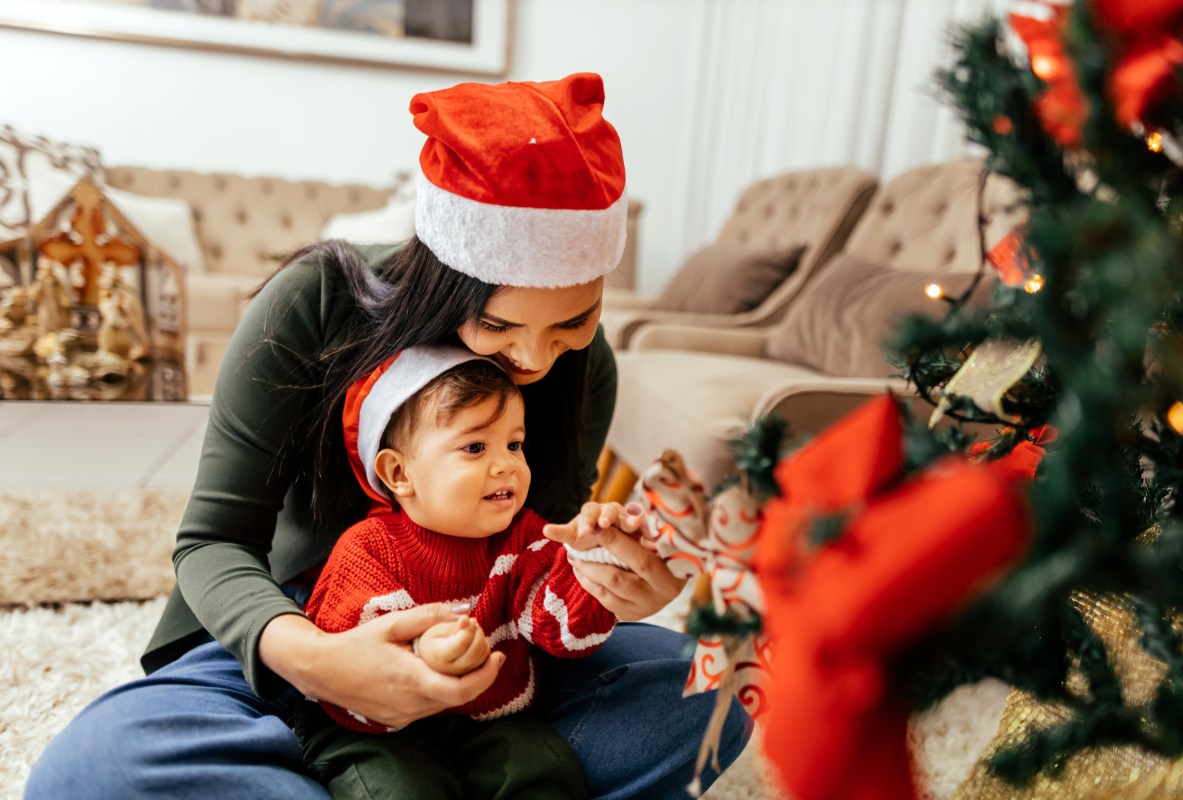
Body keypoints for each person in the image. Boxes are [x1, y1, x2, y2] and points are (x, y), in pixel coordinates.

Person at [24, 72, 752, 800]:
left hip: (491, 644)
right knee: (89, 775)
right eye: (499, 327)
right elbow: (212, 542)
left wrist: (611, 589)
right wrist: (315, 660)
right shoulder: (312, 304)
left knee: (710, 691)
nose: (534, 362)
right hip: (301, 625)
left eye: (572, 325)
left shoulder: (584, 372)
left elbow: (539, 552)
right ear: (445, 279)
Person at [296, 346, 621, 799]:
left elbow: (562, 631)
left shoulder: (523, 537)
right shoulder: (367, 551)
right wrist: (423, 650)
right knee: (399, 790)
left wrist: (597, 567)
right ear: (399, 473)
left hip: (490, 717)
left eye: (514, 444)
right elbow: (348, 653)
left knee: (544, 767)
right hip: (381, 728)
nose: (507, 462)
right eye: (475, 447)